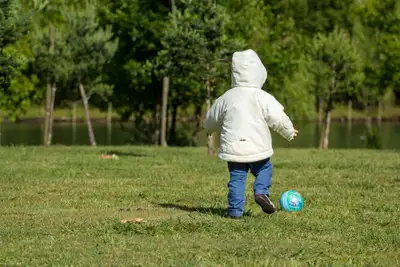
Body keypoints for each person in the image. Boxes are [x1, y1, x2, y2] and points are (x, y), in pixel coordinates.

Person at [203, 49, 298, 218]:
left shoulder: (227, 97)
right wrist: (289, 131)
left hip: (234, 149)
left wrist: (209, 129)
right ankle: (261, 192)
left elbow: (212, 117)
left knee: (237, 179)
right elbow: (277, 117)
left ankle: (234, 212)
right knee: (264, 169)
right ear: (259, 73)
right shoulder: (262, 97)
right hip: (257, 146)